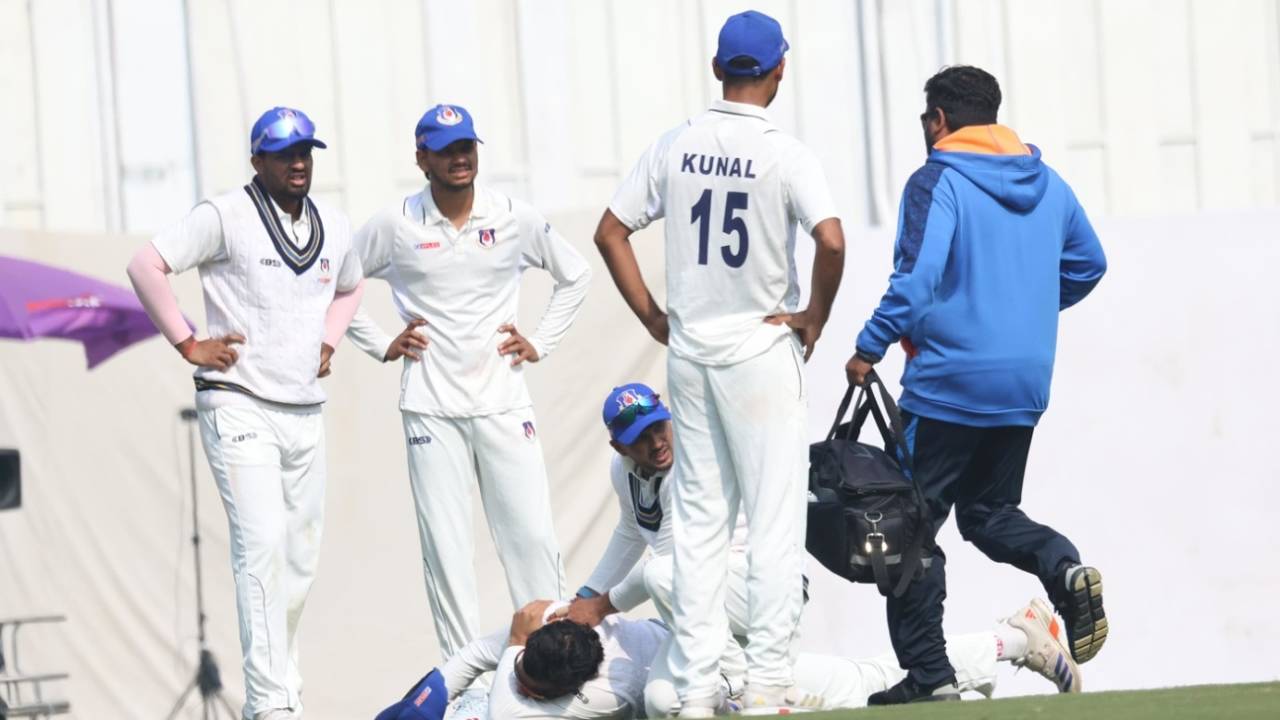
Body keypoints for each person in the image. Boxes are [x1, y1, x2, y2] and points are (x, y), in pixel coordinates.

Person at [593, 11, 846, 716]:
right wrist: (814, 317)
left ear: (716, 69)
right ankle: (766, 685)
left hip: (692, 353)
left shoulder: (676, 144)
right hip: (761, 350)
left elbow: (610, 232)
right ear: (779, 71)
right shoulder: (785, 152)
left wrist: (651, 315)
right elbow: (830, 241)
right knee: (770, 522)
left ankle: (700, 689)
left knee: (699, 526)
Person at [844, 65, 1109, 705]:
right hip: (1022, 382)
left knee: (906, 529)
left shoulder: (937, 180)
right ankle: (1064, 569)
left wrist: (869, 345)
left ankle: (931, 678)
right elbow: (1089, 265)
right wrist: (1023, 312)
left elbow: (917, 278)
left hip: (947, 383)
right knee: (990, 515)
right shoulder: (1048, 183)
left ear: (938, 119)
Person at [126, 106, 364, 720]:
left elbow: (352, 284)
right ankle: (269, 705)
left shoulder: (333, 224)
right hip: (237, 404)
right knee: (260, 546)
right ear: (257, 160)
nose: (299, 162)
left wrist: (330, 341)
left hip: (304, 410)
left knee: (299, 560)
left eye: (306, 151)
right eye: (285, 154)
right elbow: (145, 265)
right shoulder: (224, 215)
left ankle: (280, 685)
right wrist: (187, 342)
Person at [345, 103, 591, 657]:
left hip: (504, 401)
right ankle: (464, 689)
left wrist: (541, 340)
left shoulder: (512, 216)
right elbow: (333, 283)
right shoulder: (395, 224)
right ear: (421, 157)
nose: (459, 158)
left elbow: (575, 274)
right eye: (446, 149)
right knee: (448, 553)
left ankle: (555, 671)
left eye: (467, 147)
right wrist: (381, 341)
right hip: (431, 407)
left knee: (531, 539)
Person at [377, 596, 1081, 720]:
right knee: (867, 684)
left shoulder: (551, 668)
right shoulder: (533, 670)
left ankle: (1016, 640)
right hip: (704, 670)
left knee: (868, 689)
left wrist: (508, 647)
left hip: (718, 671)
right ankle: (1008, 646)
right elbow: (487, 655)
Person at [564, 383, 756, 712]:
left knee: (660, 573)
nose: (656, 444)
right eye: (640, 438)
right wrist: (587, 593)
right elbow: (631, 529)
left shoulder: (693, 461)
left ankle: (735, 679)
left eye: (658, 428)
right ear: (619, 447)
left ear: (668, 417)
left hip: (754, 591)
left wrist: (598, 607)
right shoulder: (621, 468)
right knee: (662, 703)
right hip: (706, 605)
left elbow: (669, 562)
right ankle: (732, 702)